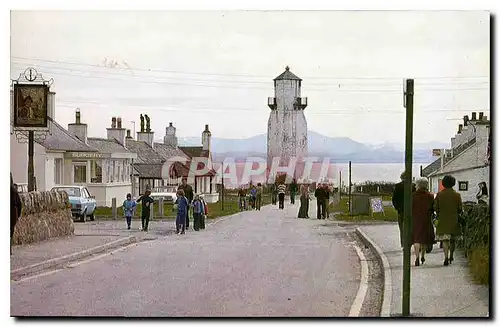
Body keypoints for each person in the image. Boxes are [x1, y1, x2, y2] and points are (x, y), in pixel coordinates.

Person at [434, 175, 463, 266]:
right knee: (453, 239)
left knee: (445, 240)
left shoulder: (439, 195)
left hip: (443, 219)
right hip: (454, 220)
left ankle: (446, 257)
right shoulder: (457, 195)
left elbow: (436, 208)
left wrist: (439, 214)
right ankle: (451, 256)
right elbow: (460, 209)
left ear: (444, 183)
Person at [411, 179, 436, 266]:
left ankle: (417, 257)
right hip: (426, 218)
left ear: (417, 185)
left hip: (415, 219)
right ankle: (422, 255)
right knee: (424, 239)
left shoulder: (412, 196)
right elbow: (433, 208)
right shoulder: (430, 196)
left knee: (416, 239)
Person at [392, 172, 416, 249]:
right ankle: (410, 242)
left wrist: (397, 208)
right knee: (411, 227)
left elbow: (394, 199)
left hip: (401, 210)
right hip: (411, 210)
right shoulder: (413, 186)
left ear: (401, 177)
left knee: (402, 228)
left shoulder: (398, 186)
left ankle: (403, 244)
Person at [11, 174, 22, 255]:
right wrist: (18, 215)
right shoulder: (14, 190)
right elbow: (19, 204)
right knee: (10, 232)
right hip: (12, 214)